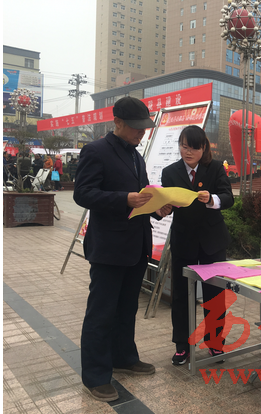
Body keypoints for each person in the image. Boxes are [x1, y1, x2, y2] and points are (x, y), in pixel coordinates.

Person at [73, 96, 172, 402]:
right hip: (109, 247)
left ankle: (124, 357)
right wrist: (123, 199)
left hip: (136, 245)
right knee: (101, 313)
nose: (141, 132)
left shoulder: (136, 156)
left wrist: (158, 208)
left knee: (127, 308)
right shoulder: (96, 151)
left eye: (144, 128)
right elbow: (83, 193)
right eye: (136, 127)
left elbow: (142, 196)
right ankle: (95, 375)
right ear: (117, 122)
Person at [161, 125, 234, 366]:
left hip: (212, 241)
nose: (188, 152)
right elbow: (166, 203)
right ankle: (182, 345)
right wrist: (162, 208)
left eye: (194, 147)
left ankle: (215, 343)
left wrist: (212, 199)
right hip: (184, 240)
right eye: (184, 146)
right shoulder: (170, 172)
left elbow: (228, 197)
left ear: (204, 148)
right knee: (181, 295)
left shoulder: (215, 168)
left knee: (215, 295)